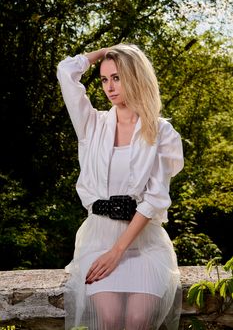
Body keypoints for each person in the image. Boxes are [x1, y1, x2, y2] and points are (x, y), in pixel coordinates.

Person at [57, 43, 184, 330]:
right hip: (98, 239)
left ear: (135, 77)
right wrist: (106, 51)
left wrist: (117, 252)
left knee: (138, 320)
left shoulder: (161, 131)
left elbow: (154, 200)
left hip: (144, 243)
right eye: (104, 79)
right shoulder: (91, 125)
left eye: (117, 77)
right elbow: (66, 71)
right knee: (111, 318)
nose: (109, 87)